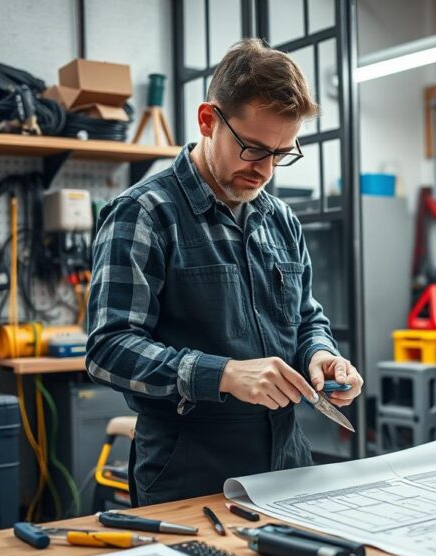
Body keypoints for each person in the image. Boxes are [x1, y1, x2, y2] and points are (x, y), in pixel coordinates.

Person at [86, 38, 363, 506]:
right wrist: (223, 374)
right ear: (208, 120)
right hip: (188, 470)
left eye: (281, 153)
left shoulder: (280, 219)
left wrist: (321, 355)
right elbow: (108, 348)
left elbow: (306, 318)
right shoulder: (145, 214)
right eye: (253, 149)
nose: (265, 170)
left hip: (288, 462)